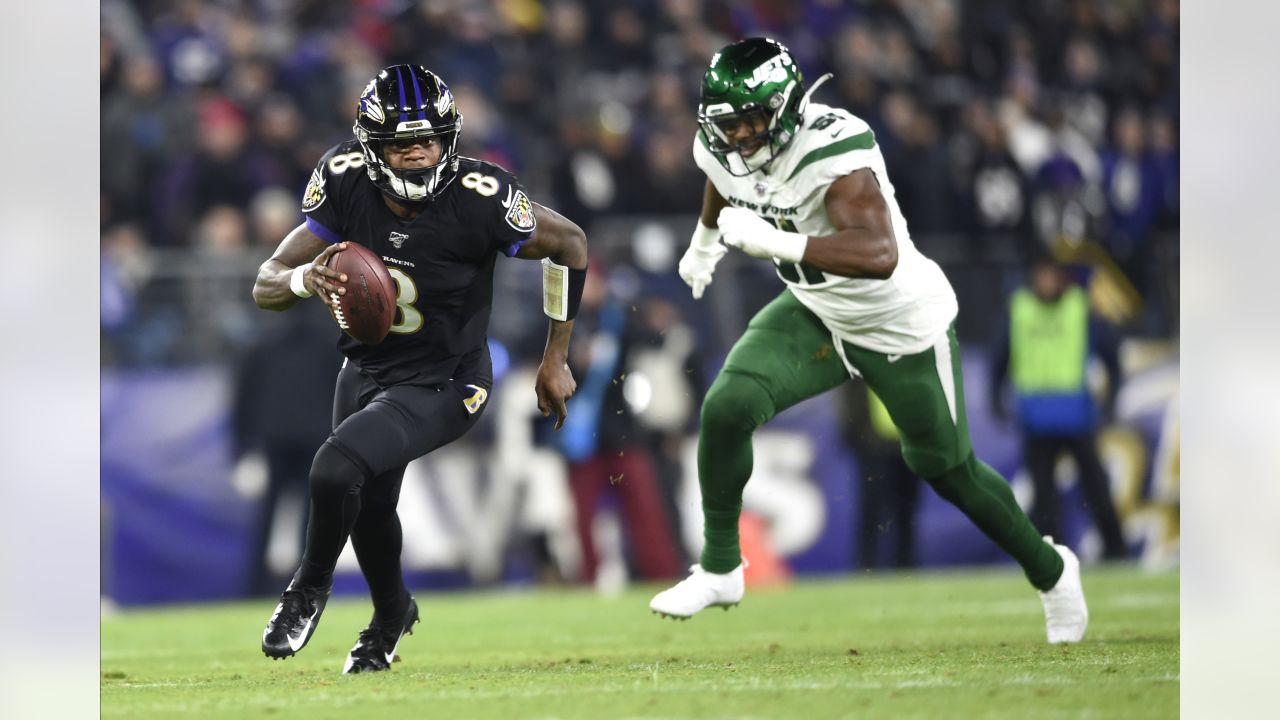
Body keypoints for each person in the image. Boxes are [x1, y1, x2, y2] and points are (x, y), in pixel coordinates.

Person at [648, 38, 1088, 644]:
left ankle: (1052, 570)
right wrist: (703, 244)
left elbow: (879, 255)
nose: (740, 139)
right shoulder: (726, 146)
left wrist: (776, 244)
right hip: (816, 309)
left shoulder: (835, 148)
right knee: (726, 407)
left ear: (784, 110)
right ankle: (722, 567)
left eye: (751, 123)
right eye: (729, 125)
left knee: (946, 468)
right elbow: (722, 176)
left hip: (895, 322)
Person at [251, 64, 587, 673]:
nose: (416, 155)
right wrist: (305, 278)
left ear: (449, 138)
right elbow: (266, 283)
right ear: (370, 148)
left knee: (333, 469)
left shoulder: (481, 197)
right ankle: (390, 617)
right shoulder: (345, 181)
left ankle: (307, 591)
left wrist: (555, 355)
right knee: (371, 508)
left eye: (428, 141)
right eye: (400, 145)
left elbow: (571, 244)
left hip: (446, 378)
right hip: (366, 367)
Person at [990, 255, 1127, 560]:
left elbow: (1111, 354)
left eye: (1052, 275)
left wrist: (1113, 396)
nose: (1047, 282)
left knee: (1096, 488)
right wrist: (996, 398)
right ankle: (1054, 556)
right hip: (1036, 416)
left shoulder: (1081, 306)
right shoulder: (1020, 308)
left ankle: (1116, 551)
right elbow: (1000, 356)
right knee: (1044, 496)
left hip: (1075, 415)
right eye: (1042, 275)